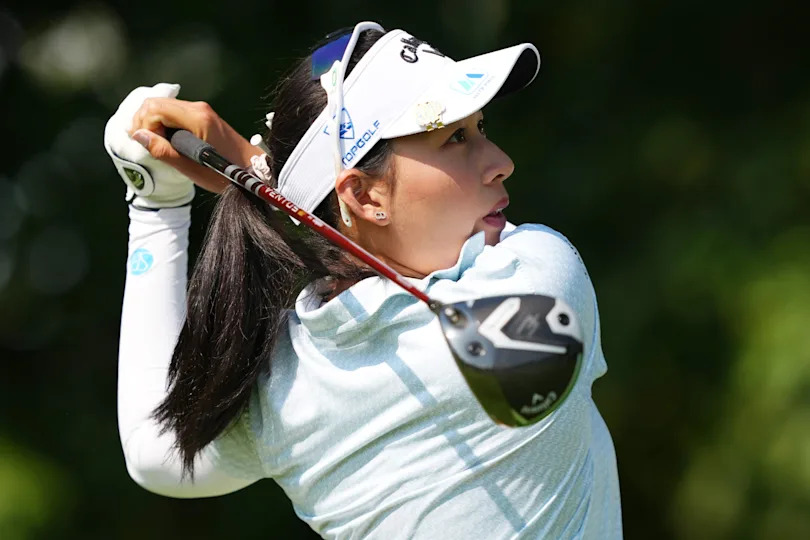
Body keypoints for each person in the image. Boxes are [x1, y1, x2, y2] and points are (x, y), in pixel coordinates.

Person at [107, 21, 623, 539]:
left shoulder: (285, 387)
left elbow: (157, 456)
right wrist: (255, 169)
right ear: (364, 196)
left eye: (480, 128)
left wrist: (156, 206)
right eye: (456, 138)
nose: (501, 163)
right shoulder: (540, 275)